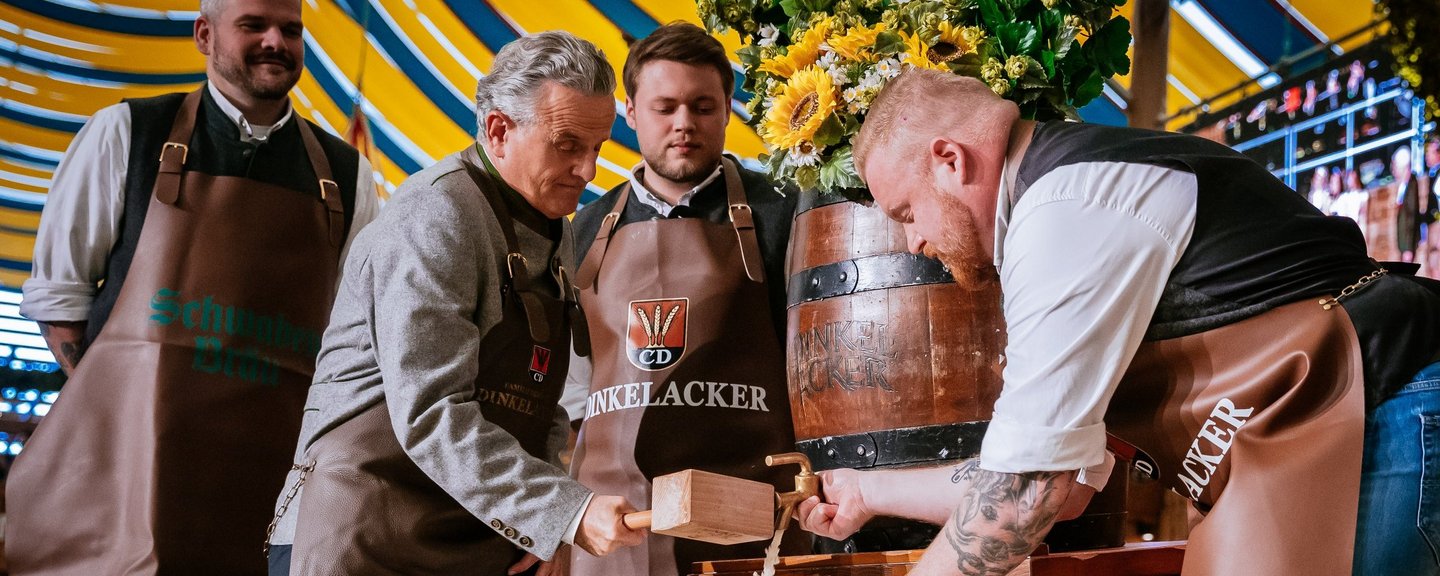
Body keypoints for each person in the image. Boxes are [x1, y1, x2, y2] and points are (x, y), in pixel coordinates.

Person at [794, 68, 1440, 576]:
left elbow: (1026, 494)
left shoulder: (1067, 207)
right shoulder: (1055, 198)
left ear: (950, 160)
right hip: (1325, 417)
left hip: (1381, 398)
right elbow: (1066, 480)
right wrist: (866, 489)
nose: (913, 243)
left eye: (906, 212)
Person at [9, 0, 379, 572]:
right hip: (125, 476)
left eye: (291, 29)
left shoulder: (348, 177)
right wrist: (115, 422)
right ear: (205, 35)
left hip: (270, 486)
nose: (276, 41)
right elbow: (61, 300)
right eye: (254, 25)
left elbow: (359, 338)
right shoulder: (126, 132)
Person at [263, 30, 645, 576]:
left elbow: (539, 403)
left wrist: (540, 534)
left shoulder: (555, 229)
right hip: (357, 534)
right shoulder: (436, 216)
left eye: (597, 149)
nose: (587, 171)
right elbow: (430, 411)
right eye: (567, 146)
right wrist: (567, 512)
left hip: (466, 536)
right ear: (498, 130)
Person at [563, 22, 804, 576]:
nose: (684, 125)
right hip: (614, 534)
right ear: (630, 112)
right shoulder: (581, 230)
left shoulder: (784, 213)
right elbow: (573, 383)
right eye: (665, 107)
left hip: (752, 524)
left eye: (702, 107)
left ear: (727, 108)